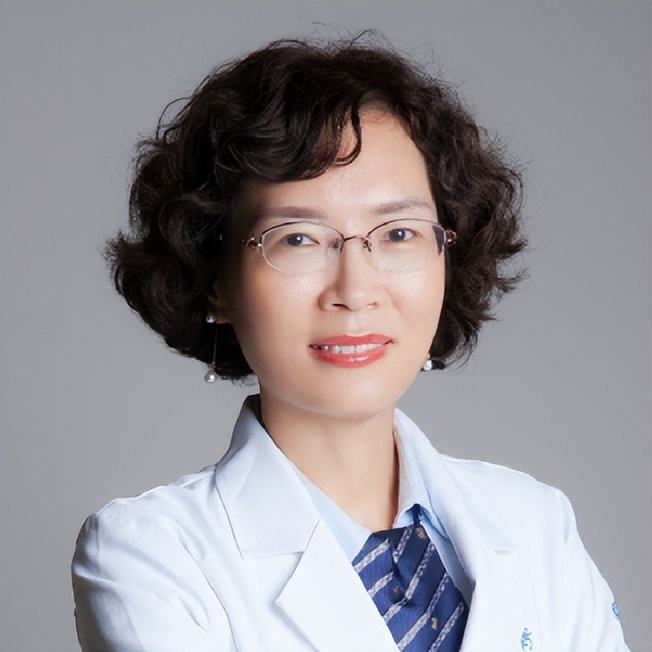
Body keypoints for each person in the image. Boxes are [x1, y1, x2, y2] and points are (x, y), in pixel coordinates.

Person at [71, 37, 628, 651]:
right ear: (215, 283)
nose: (356, 290)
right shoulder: (150, 556)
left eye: (397, 233)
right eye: (298, 238)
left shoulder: (535, 523)